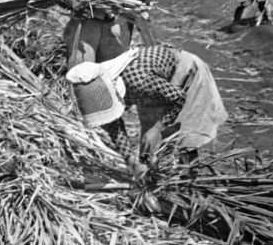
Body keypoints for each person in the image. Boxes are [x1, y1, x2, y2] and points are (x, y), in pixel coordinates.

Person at [66, 43, 227, 179]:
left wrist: (157, 128)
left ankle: (189, 181)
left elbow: (178, 97)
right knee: (150, 146)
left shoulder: (138, 82)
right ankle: (156, 180)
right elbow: (114, 125)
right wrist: (130, 159)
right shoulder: (103, 92)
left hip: (186, 75)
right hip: (157, 85)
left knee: (187, 137)